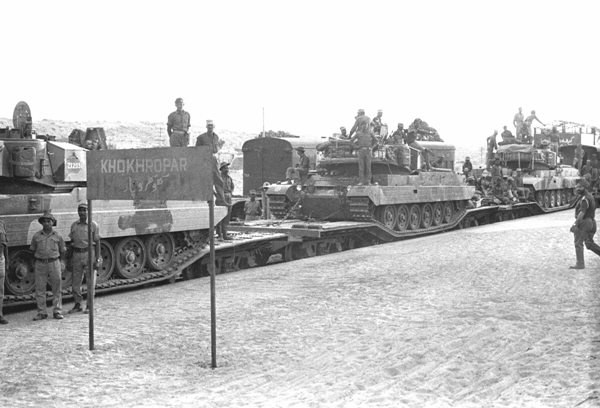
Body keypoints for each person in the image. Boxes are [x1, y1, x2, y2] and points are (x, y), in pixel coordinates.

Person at [30, 210, 66, 321]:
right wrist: (34, 263)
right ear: (42, 223)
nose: (46, 223)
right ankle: (42, 312)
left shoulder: (58, 236)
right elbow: (32, 250)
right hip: (40, 263)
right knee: (40, 289)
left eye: (49, 221)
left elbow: (63, 250)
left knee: (57, 288)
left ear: (52, 222)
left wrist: (62, 262)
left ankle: (57, 311)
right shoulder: (36, 236)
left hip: (54, 263)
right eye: (44, 221)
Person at [67, 203, 101, 314]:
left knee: (90, 282)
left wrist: (97, 259)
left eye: (85, 210)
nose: (82, 212)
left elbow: (97, 242)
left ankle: (89, 306)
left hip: (89, 253)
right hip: (76, 254)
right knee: (75, 283)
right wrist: (69, 259)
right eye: (80, 210)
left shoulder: (93, 225)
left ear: (88, 211)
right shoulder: (74, 225)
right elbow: (71, 243)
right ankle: (77, 304)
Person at [570, 179, 600, 269]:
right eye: (577, 187)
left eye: (579, 187)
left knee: (578, 243)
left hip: (585, 222)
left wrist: (575, 224)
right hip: (592, 222)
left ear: (584, 187)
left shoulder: (585, 198)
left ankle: (580, 264)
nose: (577, 188)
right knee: (589, 243)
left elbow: (582, 213)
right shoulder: (588, 196)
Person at [196, 120, 227, 205]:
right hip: (205, 159)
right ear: (206, 127)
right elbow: (197, 150)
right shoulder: (201, 137)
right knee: (207, 180)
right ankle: (209, 198)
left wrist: (220, 146)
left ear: (214, 127)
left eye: (211, 126)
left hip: (213, 159)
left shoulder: (216, 137)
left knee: (218, 179)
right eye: (208, 126)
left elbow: (216, 149)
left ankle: (221, 199)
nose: (210, 127)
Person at [349, 109, 376, 185]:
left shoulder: (359, 119)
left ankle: (367, 181)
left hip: (366, 148)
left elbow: (354, 128)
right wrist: (356, 147)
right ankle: (363, 181)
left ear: (359, 113)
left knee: (366, 167)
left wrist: (350, 135)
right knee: (363, 167)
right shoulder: (368, 119)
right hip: (362, 148)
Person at [217, 162, 234, 240]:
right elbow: (216, 188)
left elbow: (232, 187)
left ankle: (225, 234)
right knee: (220, 217)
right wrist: (219, 195)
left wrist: (229, 194)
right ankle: (219, 235)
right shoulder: (219, 177)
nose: (227, 169)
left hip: (229, 198)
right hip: (221, 198)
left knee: (227, 218)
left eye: (227, 168)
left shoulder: (229, 178)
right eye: (225, 168)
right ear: (222, 169)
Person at [0, 220, 8, 324]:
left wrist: (7, 260)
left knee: (0, 290)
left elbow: (5, 244)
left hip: (0, 258)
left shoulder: (1, 223)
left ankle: (0, 314)